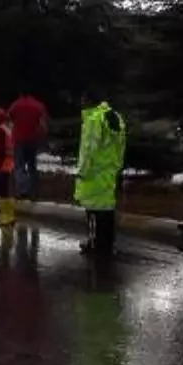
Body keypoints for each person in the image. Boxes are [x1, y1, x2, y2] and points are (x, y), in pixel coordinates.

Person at [74, 90, 128, 256]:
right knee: (107, 210)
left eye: (82, 99)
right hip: (109, 173)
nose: (80, 103)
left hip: (93, 173)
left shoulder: (93, 119)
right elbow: (121, 145)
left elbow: (89, 149)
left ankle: (93, 243)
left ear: (89, 101)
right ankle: (107, 245)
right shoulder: (115, 117)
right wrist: (117, 167)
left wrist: (82, 171)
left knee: (92, 211)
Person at [8, 91, 48, 200]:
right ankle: (34, 192)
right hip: (33, 138)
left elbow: (10, 118)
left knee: (19, 166)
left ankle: (22, 190)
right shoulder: (38, 105)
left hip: (19, 139)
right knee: (32, 166)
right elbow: (43, 123)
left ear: (20, 94)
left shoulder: (16, 105)